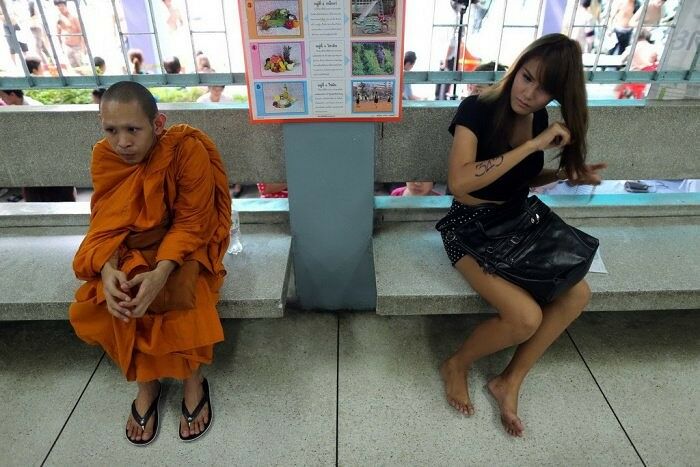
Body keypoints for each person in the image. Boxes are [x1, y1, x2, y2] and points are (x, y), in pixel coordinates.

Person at [435, 34, 607, 437]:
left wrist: (564, 174)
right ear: (517, 68)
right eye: (526, 77)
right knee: (524, 317)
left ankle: (508, 381)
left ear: (557, 93)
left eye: (543, 88)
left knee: (579, 294)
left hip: (519, 221)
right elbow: (460, 184)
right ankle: (456, 363)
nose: (528, 94)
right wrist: (533, 143)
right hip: (469, 229)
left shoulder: (541, 120)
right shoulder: (477, 109)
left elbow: (520, 179)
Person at [69, 81, 231, 444]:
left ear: (158, 124)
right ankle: (147, 385)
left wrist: (162, 270)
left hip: (187, 245)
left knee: (183, 296)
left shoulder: (186, 149)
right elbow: (107, 221)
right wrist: (107, 268)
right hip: (128, 246)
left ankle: (193, 380)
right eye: (111, 130)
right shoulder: (104, 156)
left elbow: (194, 221)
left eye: (133, 130)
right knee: (120, 295)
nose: (122, 142)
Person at [54, 0, 85, 68]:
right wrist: (61, 47)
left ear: (65, 6)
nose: (60, 8)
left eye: (62, 6)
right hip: (68, 46)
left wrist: (83, 47)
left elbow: (81, 32)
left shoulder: (74, 17)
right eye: (58, 6)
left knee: (82, 67)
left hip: (77, 47)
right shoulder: (59, 19)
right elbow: (58, 33)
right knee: (74, 68)